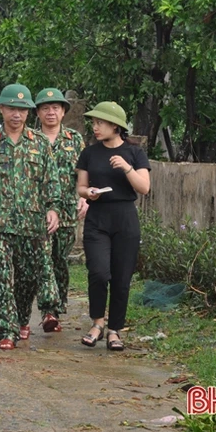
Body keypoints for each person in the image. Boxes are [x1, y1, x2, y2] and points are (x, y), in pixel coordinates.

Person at [0, 84, 62, 345]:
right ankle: (5, 333)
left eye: (21, 109)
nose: (16, 114)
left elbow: (51, 180)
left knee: (27, 280)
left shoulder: (40, 143)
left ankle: (22, 319)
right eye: (11, 108)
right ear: (1, 109)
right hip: (0, 224)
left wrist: (53, 208)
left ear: (29, 112)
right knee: (2, 279)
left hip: (33, 224)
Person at [77, 101, 150, 351]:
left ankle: (114, 330)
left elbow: (144, 187)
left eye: (100, 123)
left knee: (121, 278)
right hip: (97, 217)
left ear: (115, 126)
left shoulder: (135, 153)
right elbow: (81, 187)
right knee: (98, 272)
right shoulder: (89, 153)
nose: (95, 127)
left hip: (125, 219)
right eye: (94, 123)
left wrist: (127, 168)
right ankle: (97, 322)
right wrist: (89, 193)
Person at [34, 88, 87, 331]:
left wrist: (83, 196)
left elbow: (84, 173)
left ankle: (58, 305)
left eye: (56, 107)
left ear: (64, 111)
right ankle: (48, 310)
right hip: (37, 211)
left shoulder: (74, 140)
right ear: (38, 112)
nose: (51, 112)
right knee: (42, 260)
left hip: (67, 211)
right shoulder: (31, 139)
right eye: (45, 107)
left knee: (59, 261)